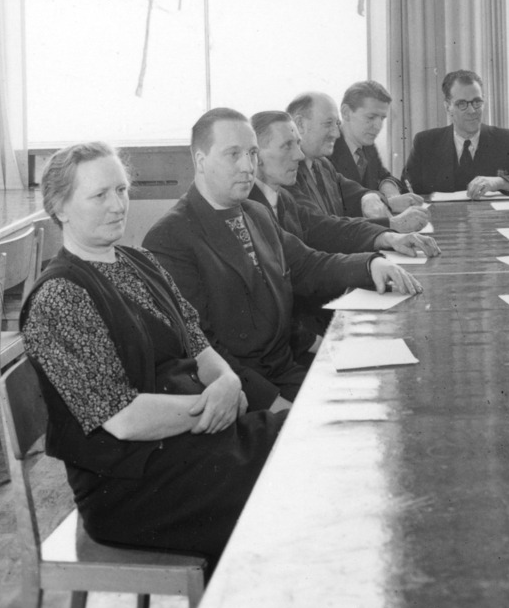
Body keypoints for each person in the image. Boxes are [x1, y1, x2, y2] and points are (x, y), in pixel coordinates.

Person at [20, 142, 285, 570]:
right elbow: (123, 419)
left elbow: (198, 345)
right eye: (99, 195)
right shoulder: (60, 297)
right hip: (133, 486)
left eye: (121, 190)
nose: (117, 205)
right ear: (60, 208)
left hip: (188, 445)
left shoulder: (140, 261)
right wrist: (214, 405)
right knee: (289, 476)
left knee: (297, 441)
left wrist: (228, 382)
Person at [144, 108, 423, 407]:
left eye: (252, 153)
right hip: (245, 393)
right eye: (233, 154)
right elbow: (201, 346)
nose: (247, 166)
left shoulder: (256, 213)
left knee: (388, 389)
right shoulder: (169, 237)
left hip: (285, 371)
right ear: (201, 161)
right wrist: (274, 403)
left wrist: (371, 264)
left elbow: (308, 264)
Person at [248, 110, 439, 259]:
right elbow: (321, 236)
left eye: (297, 144)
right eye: (287, 146)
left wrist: (387, 236)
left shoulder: (296, 187)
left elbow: (329, 226)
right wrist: (390, 228)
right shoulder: (267, 196)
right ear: (256, 155)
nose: (299, 154)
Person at [288, 92, 430, 231]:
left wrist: (370, 197)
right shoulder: (287, 171)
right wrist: (393, 224)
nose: (336, 133)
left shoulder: (322, 164)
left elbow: (355, 193)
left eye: (337, 124)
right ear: (300, 125)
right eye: (328, 124)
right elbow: (320, 227)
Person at [401, 69, 509, 197]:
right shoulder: (425, 143)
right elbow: (406, 188)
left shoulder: (507, 140)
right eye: (462, 104)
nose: (472, 111)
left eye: (477, 102)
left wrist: (500, 182)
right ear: (448, 107)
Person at [332, 80, 425, 213]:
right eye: (371, 117)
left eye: (382, 118)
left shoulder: (367, 147)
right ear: (346, 112)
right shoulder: (327, 149)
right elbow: (335, 208)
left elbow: (384, 176)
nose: (378, 126)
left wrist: (387, 184)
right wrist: (387, 203)